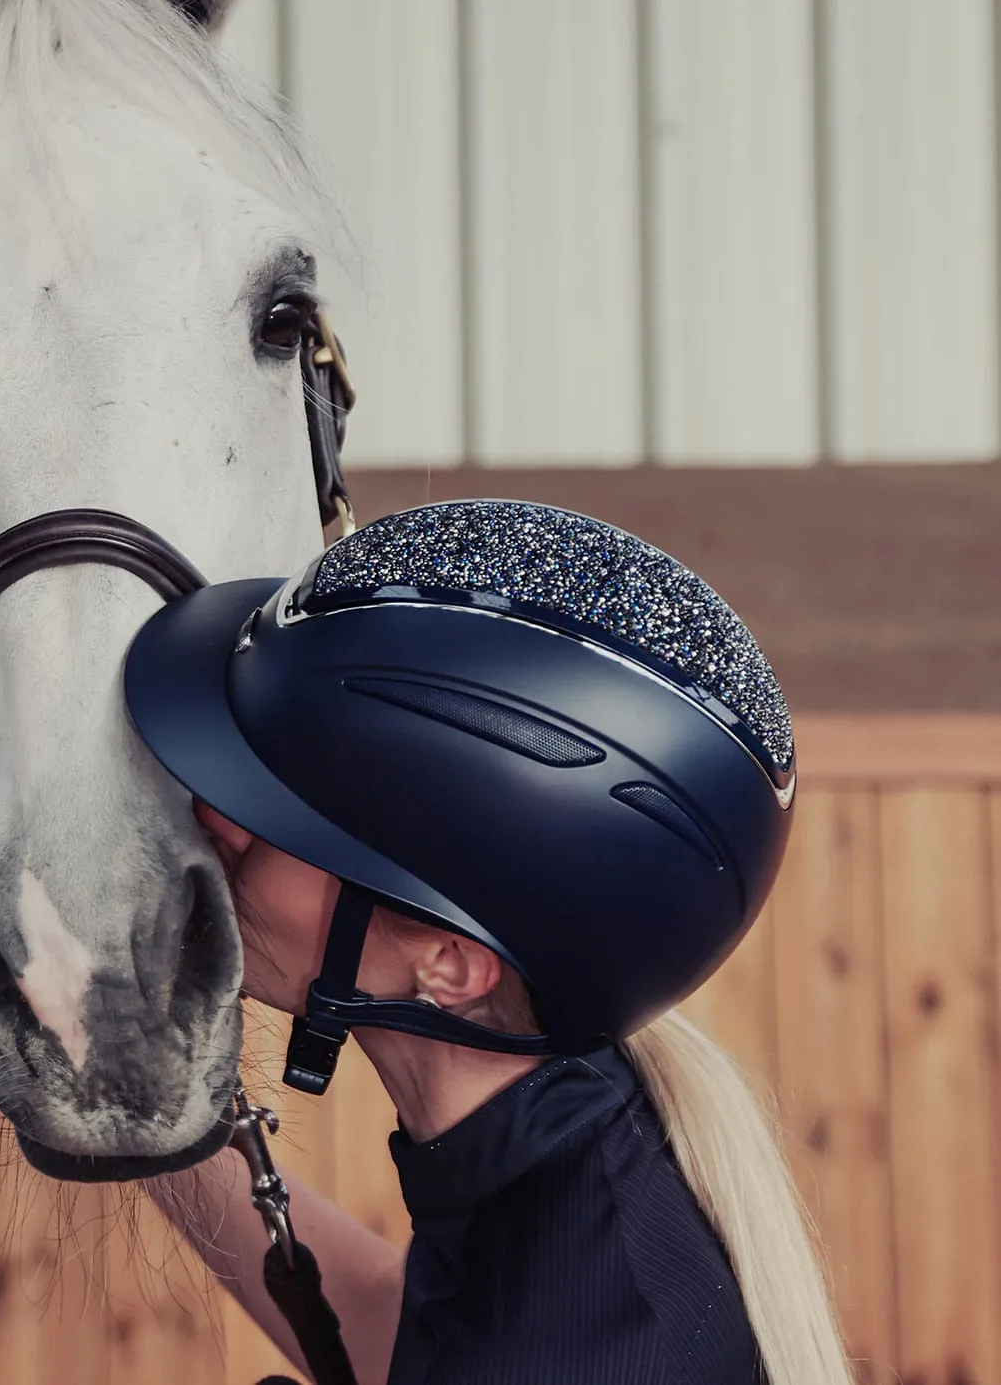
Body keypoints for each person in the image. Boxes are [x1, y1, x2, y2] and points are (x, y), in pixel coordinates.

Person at [123, 499, 855, 1385]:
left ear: (453, 964)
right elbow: (416, 1328)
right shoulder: (569, 1158)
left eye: (285, 822)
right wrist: (150, 1119)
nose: (215, 822)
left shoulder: (598, 1338)